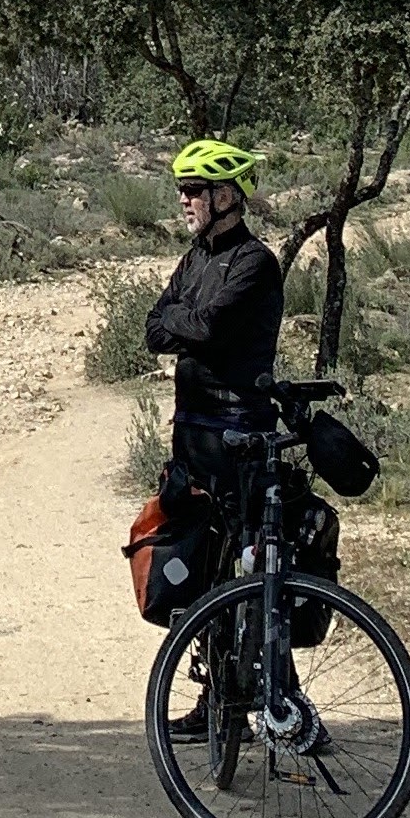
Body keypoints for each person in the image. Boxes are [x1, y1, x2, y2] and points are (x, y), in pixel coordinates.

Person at [143, 137, 285, 733]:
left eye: (194, 190)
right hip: (194, 436)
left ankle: (280, 700)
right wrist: (189, 325)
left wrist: (187, 325)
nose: (184, 200)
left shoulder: (255, 262)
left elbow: (205, 329)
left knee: (250, 572)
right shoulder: (196, 258)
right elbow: (155, 328)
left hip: (240, 437)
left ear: (227, 195)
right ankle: (218, 704)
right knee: (204, 571)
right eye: (181, 189)